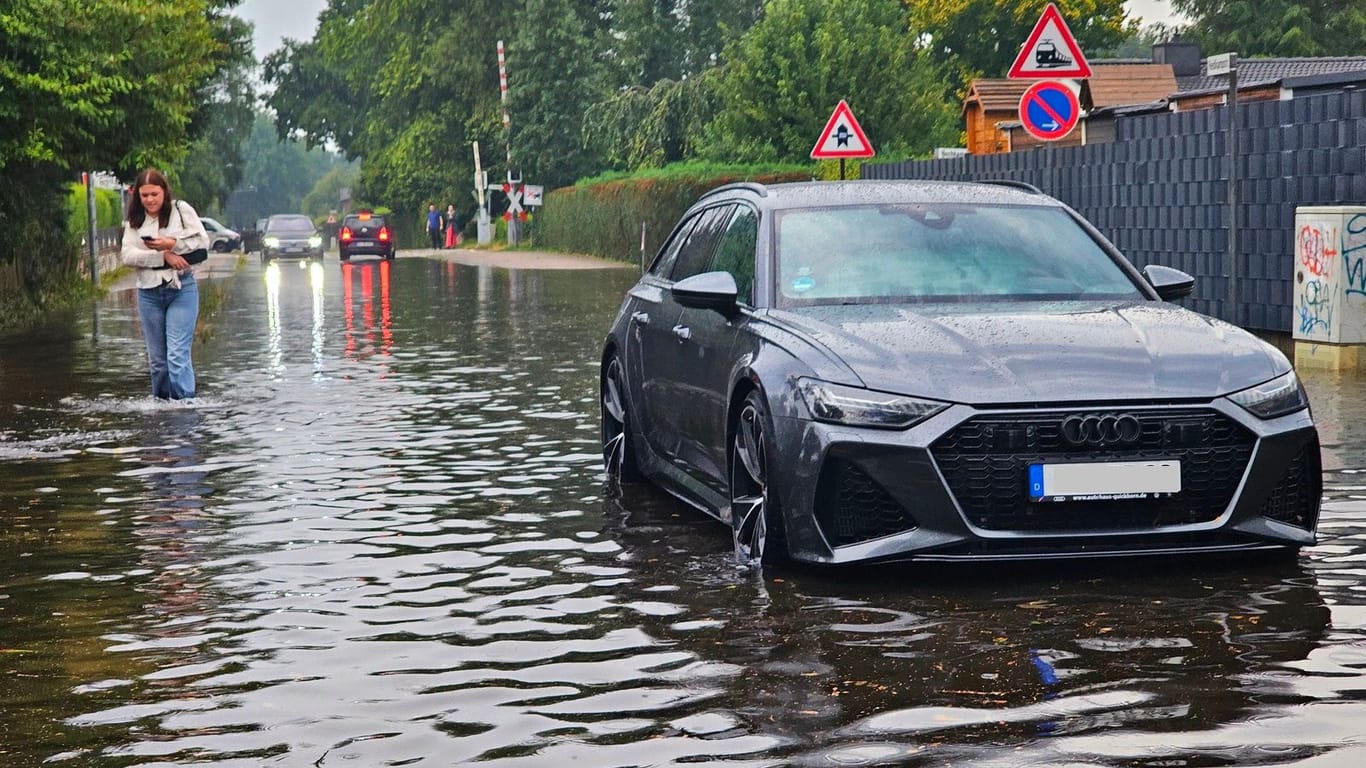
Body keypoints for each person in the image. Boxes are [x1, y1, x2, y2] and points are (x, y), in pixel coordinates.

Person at [120, 168, 210, 400]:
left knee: (177, 355)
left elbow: (202, 241)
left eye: (154, 194)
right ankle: (161, 408)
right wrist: (162, 256)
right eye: (144, 195)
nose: (150, 200)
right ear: (138, 196)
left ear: (164, 192)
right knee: (158, 362)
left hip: (181, 289)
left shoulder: (181, 210)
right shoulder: (135, 220)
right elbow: (127, 255)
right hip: (149, 293)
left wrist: (172, 243)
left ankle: (184, 406)